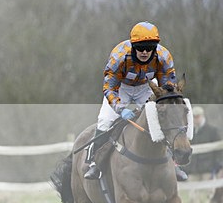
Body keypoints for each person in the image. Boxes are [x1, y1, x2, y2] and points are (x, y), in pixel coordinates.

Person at [84, 21, 177, 180]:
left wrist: (165, 104)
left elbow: (168, 87)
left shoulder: (164, 57)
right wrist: (120, 108)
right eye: (140, 47)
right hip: (121, 88)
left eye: (150, 47)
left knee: (162, 119)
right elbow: (109, 88)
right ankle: (94, 163)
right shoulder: (118, 57)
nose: (145, 52)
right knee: (105, 121)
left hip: (147, 88)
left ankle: (174, 163)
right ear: (133, 46)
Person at [184, 106, 222, 177]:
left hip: (208, 171)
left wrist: (219, 167)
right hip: (193, 171)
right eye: (194, 116)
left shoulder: (212, 131)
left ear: (202, 116)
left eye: (197, 116)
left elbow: (219, 150)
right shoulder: (190, 133)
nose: (196, 119)